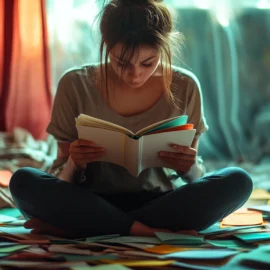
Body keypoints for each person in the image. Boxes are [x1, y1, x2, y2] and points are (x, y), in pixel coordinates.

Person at [9, 0, 252, 238]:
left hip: (160, 202)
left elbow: (195, 177)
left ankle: (88, 226)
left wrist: (190, 168)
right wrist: (75, 163)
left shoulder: (185, 85)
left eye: (148, 62)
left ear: (164, 48)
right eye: (121, 62)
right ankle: (141, 229)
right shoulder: (75, 84)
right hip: (88, 199)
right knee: (23, 181)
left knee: (238, 180)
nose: (135, 74)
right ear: (106, 45)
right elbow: (61, 177)